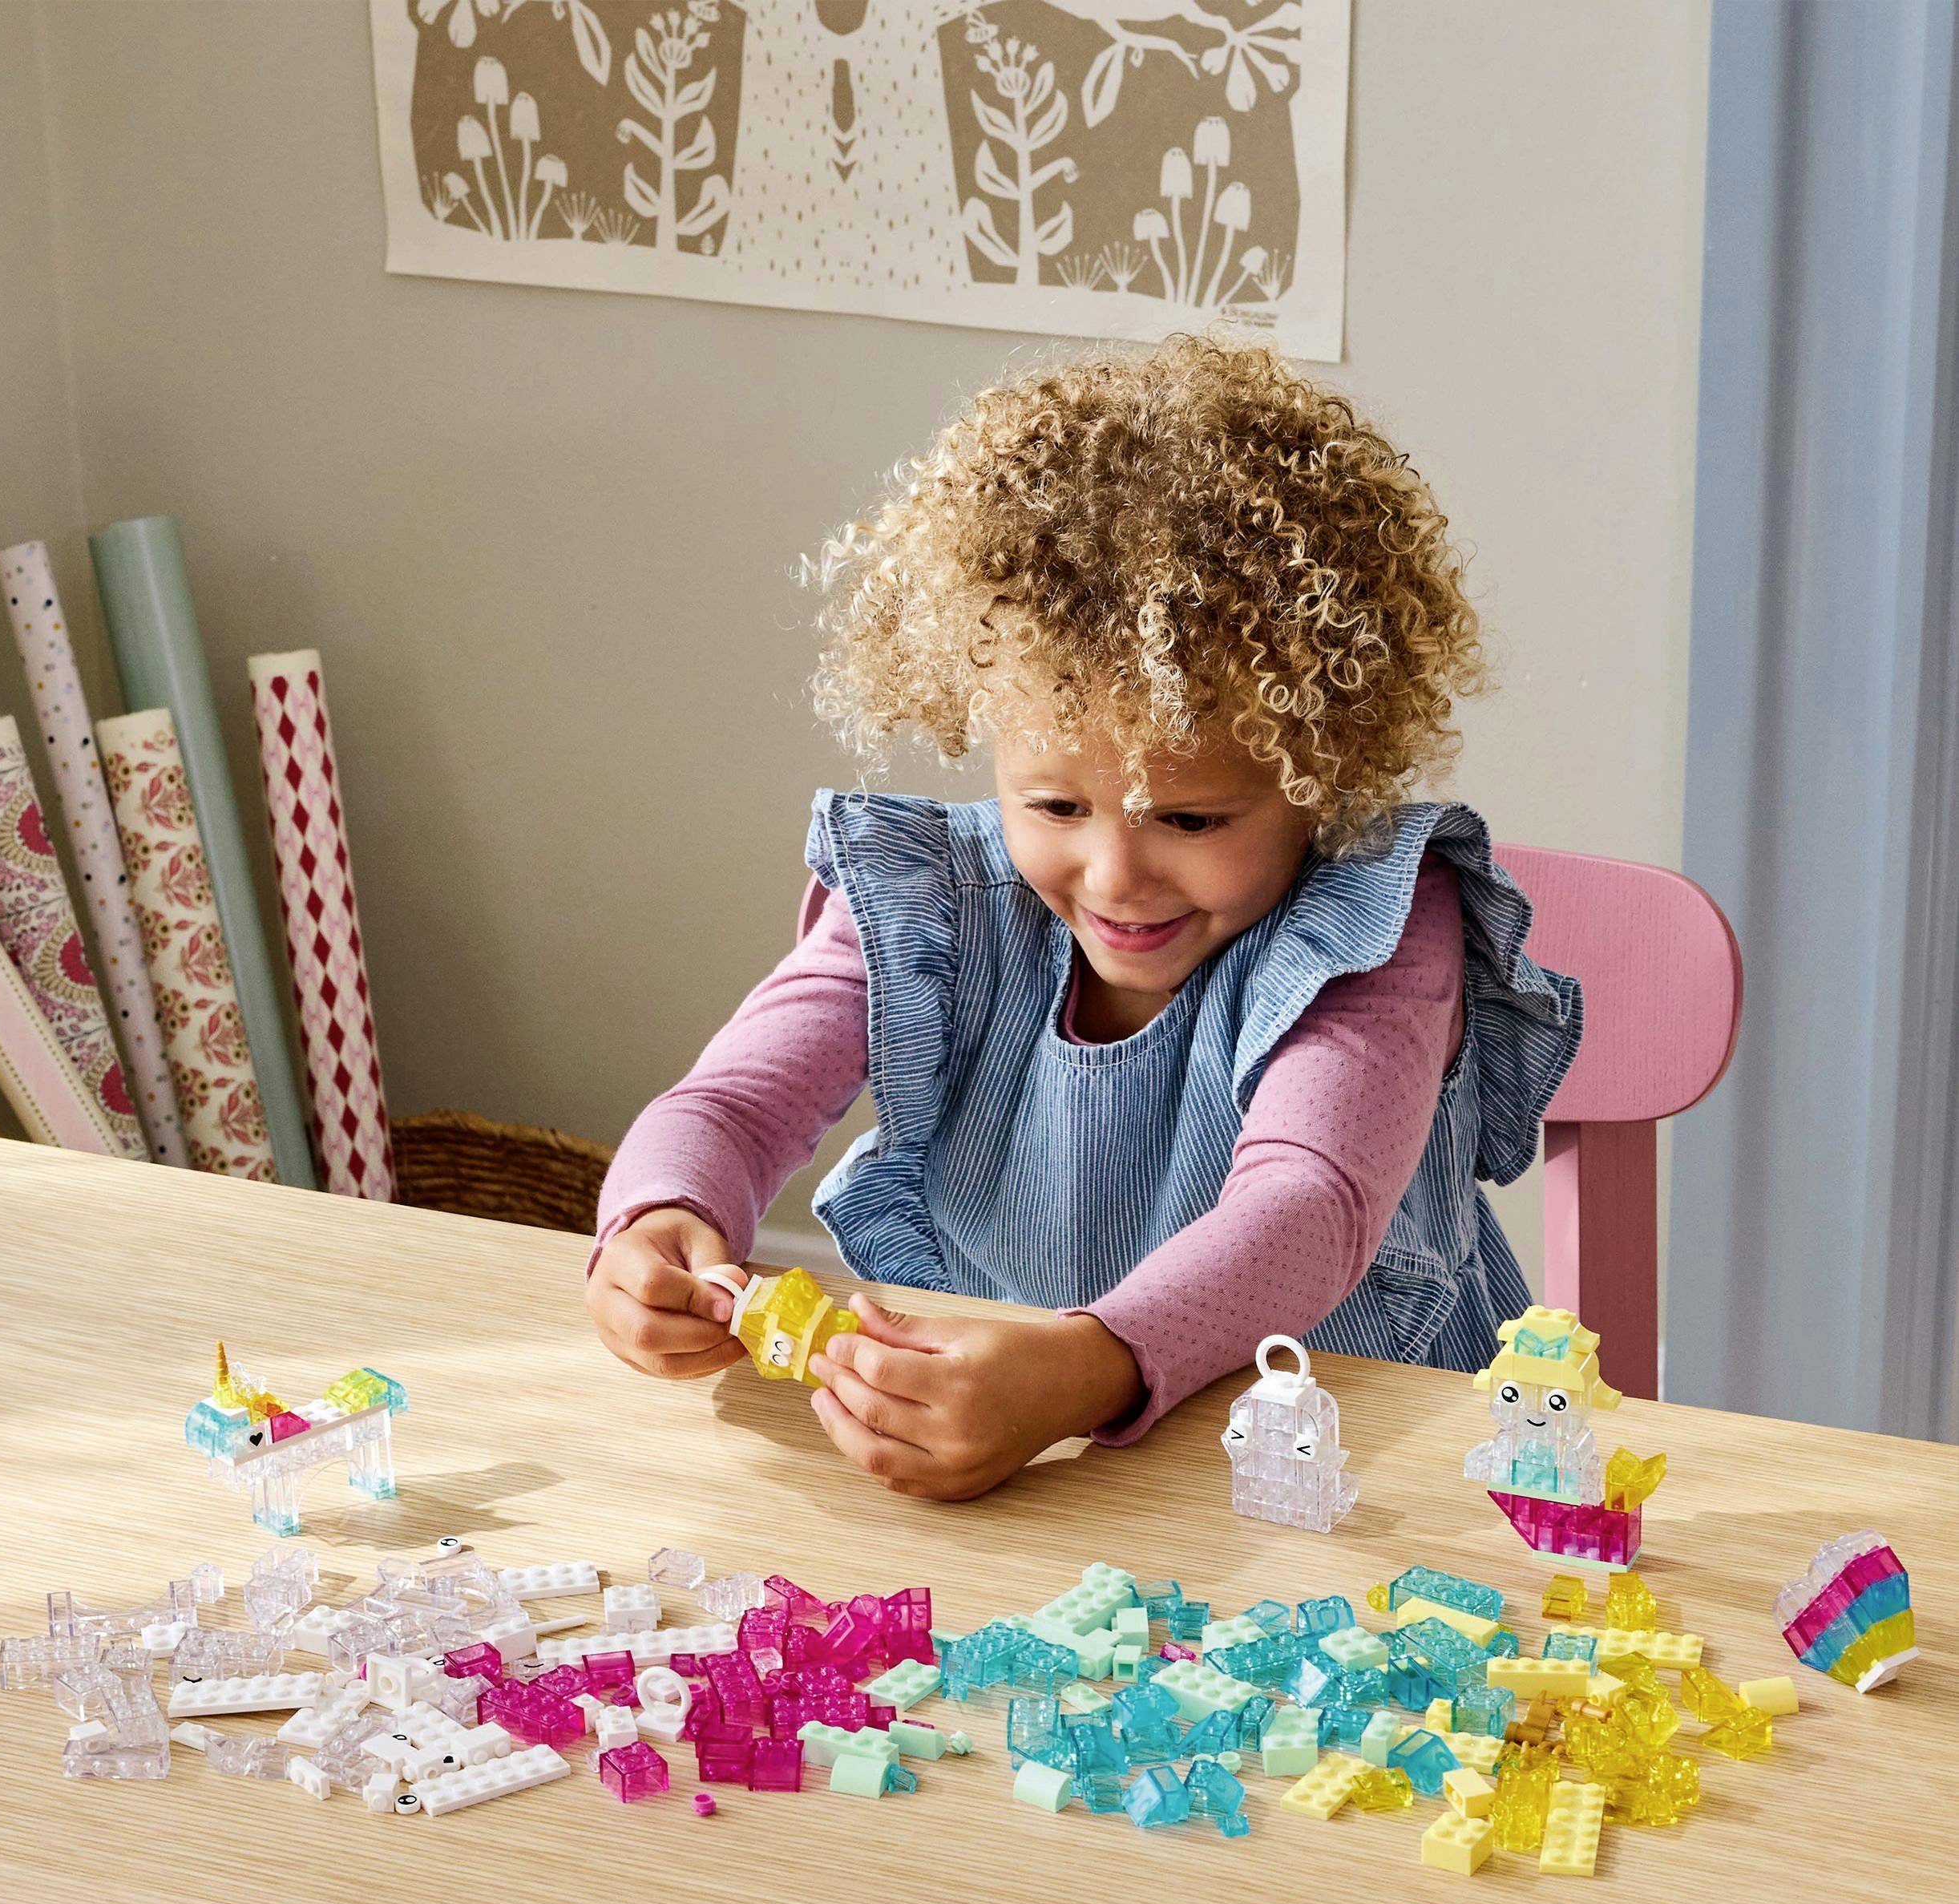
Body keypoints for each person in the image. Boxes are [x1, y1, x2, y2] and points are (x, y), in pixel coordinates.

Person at [586, 334, 1580, 1500]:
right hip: (1058, 1475)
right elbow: (733, 1104)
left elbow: (1308, 1206)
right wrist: (657, 1215)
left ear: (1321, 774)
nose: (1114, 878)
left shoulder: (1379, 927)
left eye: (1192, 819)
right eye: (1056, 806)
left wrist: (1086, 1368)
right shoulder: (929, 904)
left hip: (1366, 1468)